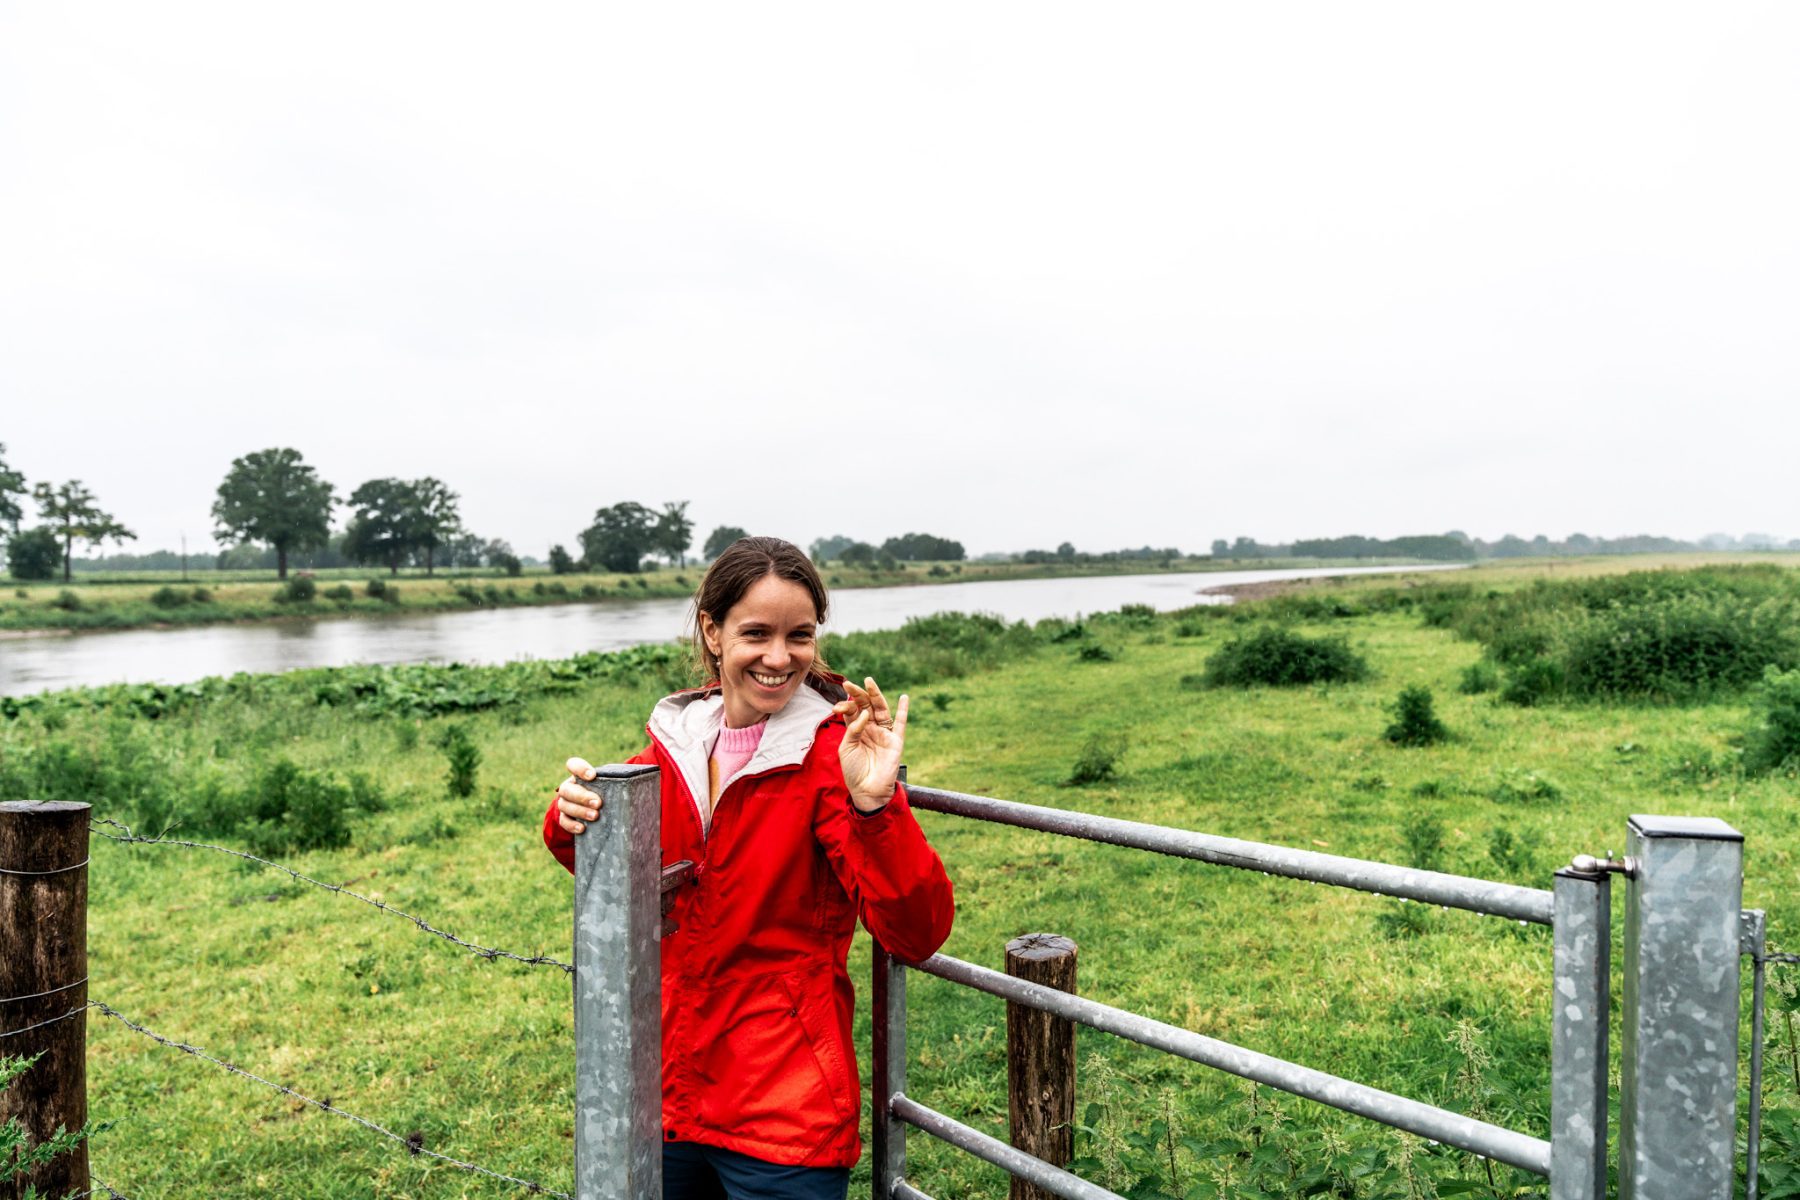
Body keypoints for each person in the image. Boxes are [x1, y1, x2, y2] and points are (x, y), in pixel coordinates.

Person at [543, 535, 955, 1200]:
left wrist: (876, 809)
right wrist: (573, 815)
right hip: (668, 1098)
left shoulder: (828, 760)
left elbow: (918, 931)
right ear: (712, 630)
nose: (778, 656)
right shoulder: (671, 746)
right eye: (756, 633)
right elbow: (611, 869)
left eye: (800, 635)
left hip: (784, 1113)